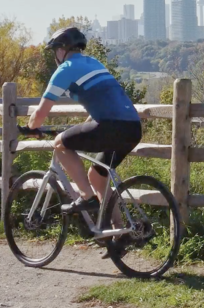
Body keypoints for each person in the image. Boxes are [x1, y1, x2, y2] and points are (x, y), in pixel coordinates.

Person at [25, 27, 142, 215]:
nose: (56, 56)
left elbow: (40, 113)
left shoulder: (66, 69)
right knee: (97, 177)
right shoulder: (94, 63)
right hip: (134, 128)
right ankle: (119, 231)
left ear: (61, 50)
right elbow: (104, 104)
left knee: (59, 144)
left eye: (55, 51)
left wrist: (29, 128)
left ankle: (87, 197)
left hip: (110, 126)